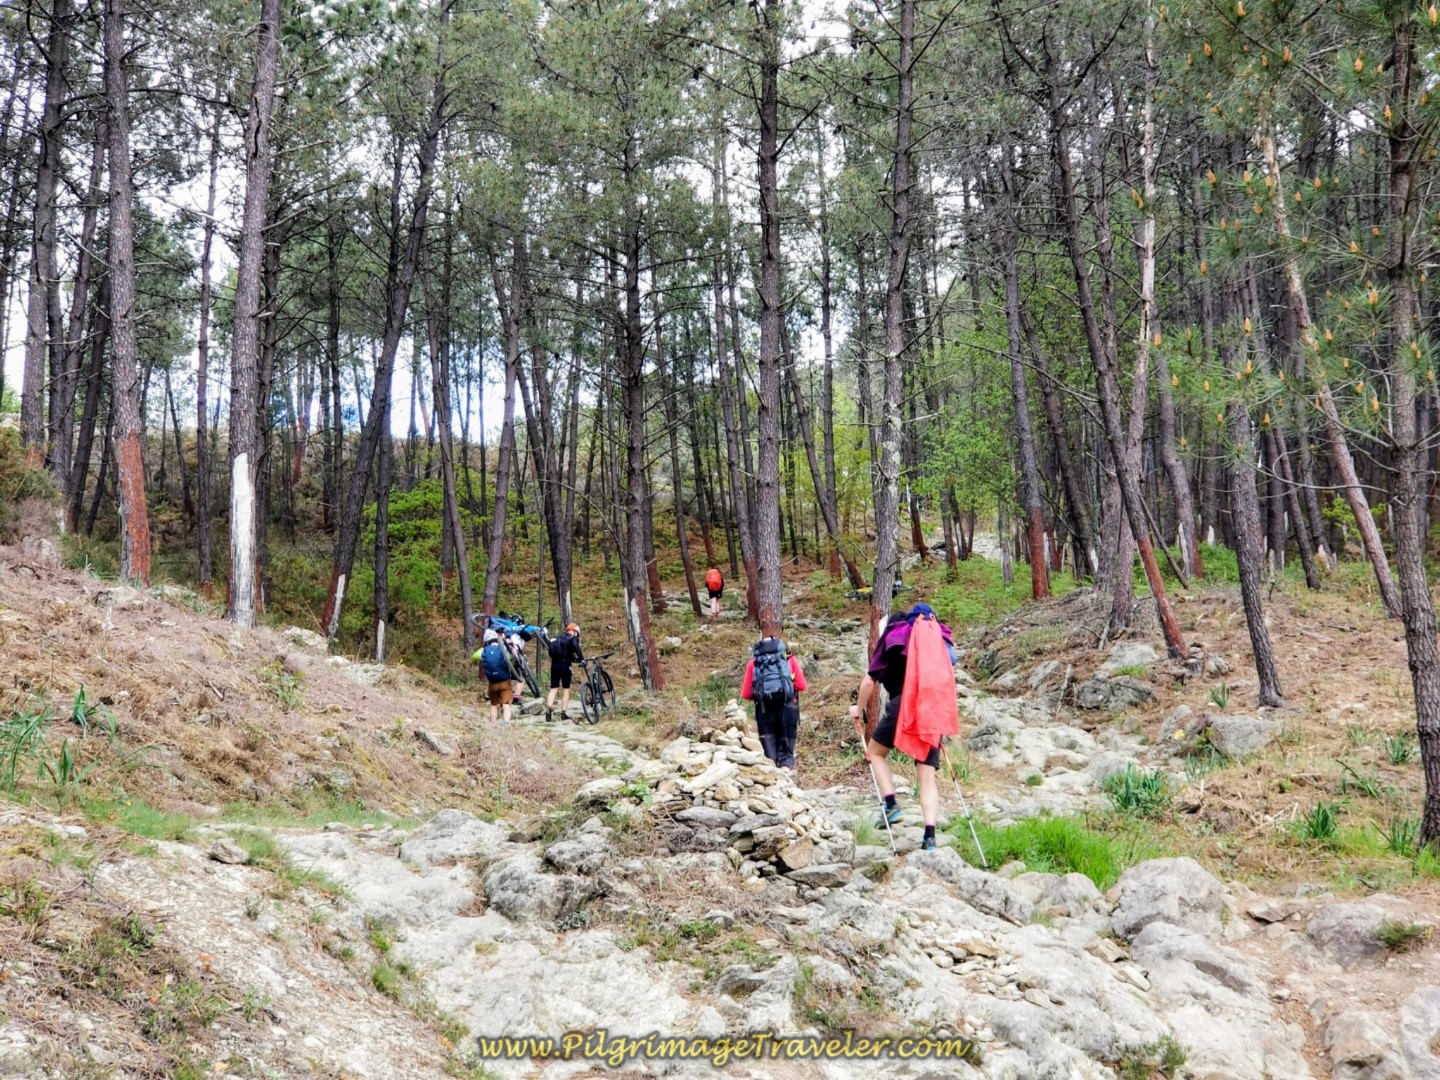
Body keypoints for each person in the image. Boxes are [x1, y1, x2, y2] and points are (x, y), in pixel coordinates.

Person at [848, 602, 957, 851]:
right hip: (932, 710)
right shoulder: (934, 644)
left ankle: (891, 804)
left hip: (903, 704)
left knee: (875, 753)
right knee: (927, 776)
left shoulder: (896, 638)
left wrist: (859, 708)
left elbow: (869, 681)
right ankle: (929, 835)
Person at [741, 635, 807, 770]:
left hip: (764, 711)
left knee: (769, 752)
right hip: (788, 708)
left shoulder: (753, 663)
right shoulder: (789, 659)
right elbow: (802, 685)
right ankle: (786, 773)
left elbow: (746, 694)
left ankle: (773, 781)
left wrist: (763, 695)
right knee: (786, 752)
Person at [474, 628, 515, 727]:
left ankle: (492, 724)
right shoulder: (503, 649)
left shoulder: (483, 651)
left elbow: (474, 656)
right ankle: (505, 723)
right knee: (506, 704)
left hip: (492, 683)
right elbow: (513, 657)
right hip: (505, 681)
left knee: (494, 704)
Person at [546, 623, 585, 721]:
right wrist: (581, 659)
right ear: (575, 631)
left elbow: (550, 652)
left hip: (554, 665)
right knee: (566, 689)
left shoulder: (557, 638)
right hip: (566, 665)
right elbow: (576, 648)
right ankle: (563, 713)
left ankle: (549, 706)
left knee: (553, 688)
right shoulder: (572, 638)